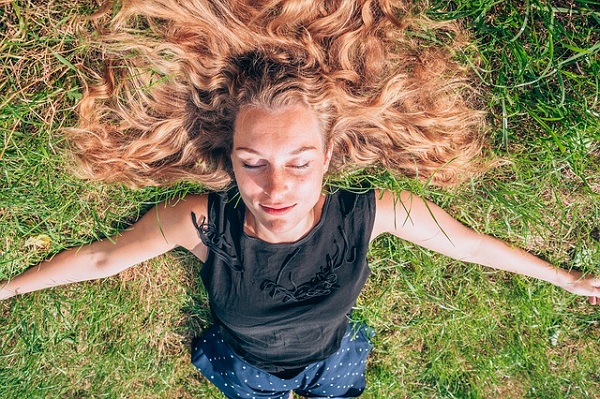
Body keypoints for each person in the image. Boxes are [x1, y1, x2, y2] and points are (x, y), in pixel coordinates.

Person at [1, 1, 599, 398]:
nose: (276, 188)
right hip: (243, 365)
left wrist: (563, 279)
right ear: (228, 159)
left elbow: (467, 246)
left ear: (331, 155)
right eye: (252, 163)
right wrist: (6, 289)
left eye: (300, 162)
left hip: (331, 359)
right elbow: (104, 258)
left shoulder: (373, 213)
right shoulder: (204, 222)